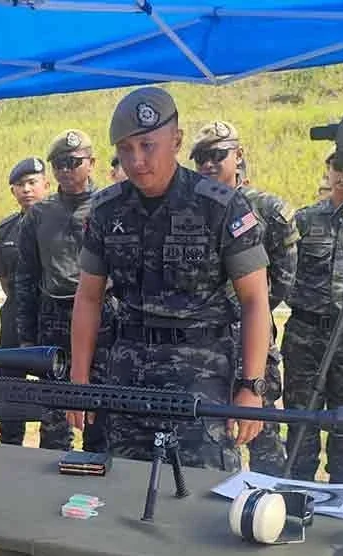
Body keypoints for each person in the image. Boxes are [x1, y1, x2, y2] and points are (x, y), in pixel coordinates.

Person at [69, 87, 271, 469]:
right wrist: (79, 380)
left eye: (148, 146)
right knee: (123, 491)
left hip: (201, 377)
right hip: (126, 377)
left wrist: (251, 387)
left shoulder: (221, 206)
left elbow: (255, 300)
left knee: (200, 496)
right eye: (125, 149)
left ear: (176, 141)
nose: (137, 160)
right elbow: (89, 297)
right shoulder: (107, 208)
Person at [190, 120, 298, 475]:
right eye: (201, 157)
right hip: (205, 346)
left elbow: (282, 277)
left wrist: (248, 311)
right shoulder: (189, 210)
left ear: (239, 156)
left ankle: (270, 511)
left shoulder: (269, 210)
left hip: (252, 340)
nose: (208, 164)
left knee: (263, 438)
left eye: (218, 155)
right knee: (210, 437)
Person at [282, 153, 343, 484]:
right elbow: (286, 268)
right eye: (339, 167)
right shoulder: (305, 219)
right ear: (329, 171)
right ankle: (298, 490)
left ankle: (341, 489)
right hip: (306, 331)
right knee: (300, 415)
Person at [17, 130, 114, 452]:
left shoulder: (111, 207)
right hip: (54, 319)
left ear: (92, 163)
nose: (66, 170)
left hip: (103, 320)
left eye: (74, 162)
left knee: (101, 412)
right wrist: (26, 333)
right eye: (59, 164)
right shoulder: (39, 215)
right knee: (55, 415)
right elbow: (26, 276)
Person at [0, 157, 48, 446]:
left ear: (46, 185)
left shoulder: (60, 222)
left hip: (50, 313)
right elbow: (3, 277)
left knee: (53, 389)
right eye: (20, 185)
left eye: (32, 183)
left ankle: (53, 449)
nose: (26, 189)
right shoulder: (6, 229)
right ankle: (10, 445)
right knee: (9, 386)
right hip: (15, 314)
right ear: (13, 191)